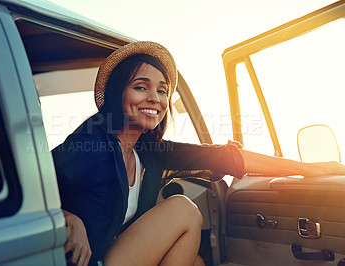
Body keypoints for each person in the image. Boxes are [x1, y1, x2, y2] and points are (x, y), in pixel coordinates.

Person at [52, 41, 345, 266]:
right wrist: (67, 218)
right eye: (141, 87)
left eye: (163, 91)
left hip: (116, 250)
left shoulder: (149, 151)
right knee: (182, 208)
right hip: (91, 260)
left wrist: (309, 170)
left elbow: (224, 159)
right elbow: (28, 181)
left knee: (198, 262)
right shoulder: (92, 145)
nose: (154, 98)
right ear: (119, 94)